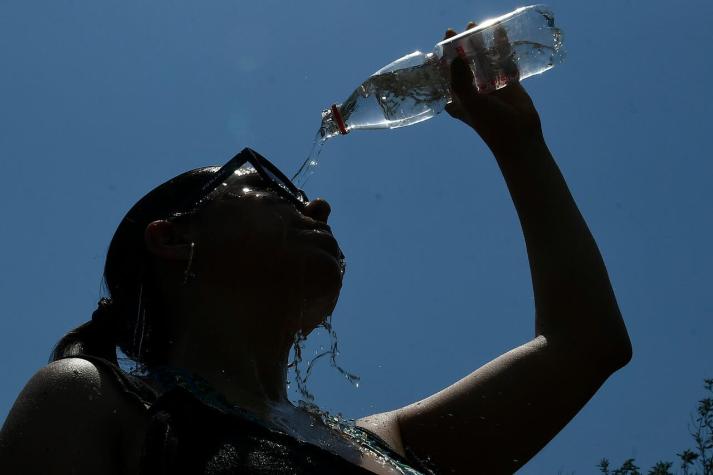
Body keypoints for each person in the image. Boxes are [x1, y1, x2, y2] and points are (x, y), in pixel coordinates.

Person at [0, 24, 632, 475]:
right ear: (172, 237)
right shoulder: (97, 400)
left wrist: (519, 144)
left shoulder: (387, 443)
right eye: (267, 186)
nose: (318, 206)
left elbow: (586, 346)